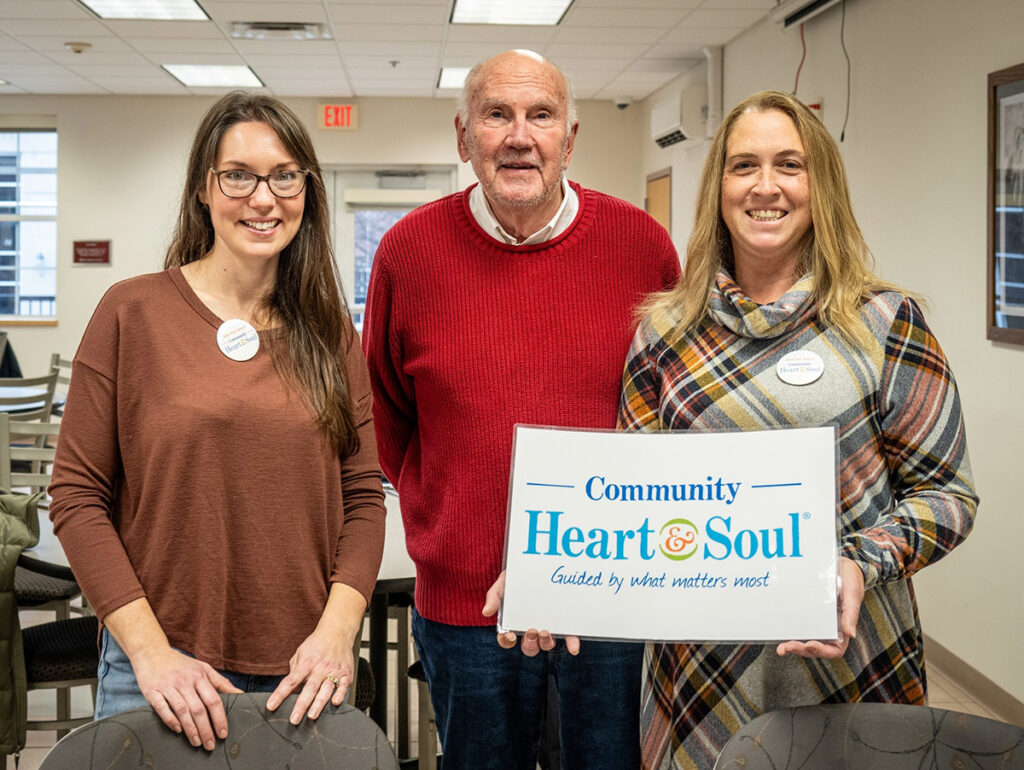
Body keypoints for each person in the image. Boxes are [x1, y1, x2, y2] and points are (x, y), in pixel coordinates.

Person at [618, 90, 979, 769]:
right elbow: (632, 504)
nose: (765, 186)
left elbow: (948, 497)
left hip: (854, 653)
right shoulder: (662, 334)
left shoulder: (884, 323)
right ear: (717, 189)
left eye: (789, 164)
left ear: (823, 186)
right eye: (742, 165)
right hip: (701, 666)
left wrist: (860, 562)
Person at [362, 49, 680, 769]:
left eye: (540, 116)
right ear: (463, 136)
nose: (518, 135)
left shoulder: (643, 248)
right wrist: (453, 517)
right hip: (466, 604)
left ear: (569, 140)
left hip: (611, 595)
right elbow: (385, 413)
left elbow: (670, 418)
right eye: (496, 114)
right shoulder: (406, 254)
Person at [48, 92, 386, 751]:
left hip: (302, 675)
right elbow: (76, 498)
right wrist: (149, 653)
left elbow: (364, 500)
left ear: (306, 191)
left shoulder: (329, 335)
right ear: (205, 187)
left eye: (285, 176)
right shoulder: (132, 313)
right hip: (163, 672)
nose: (264, 198)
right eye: (239, 175)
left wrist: (336, 636)